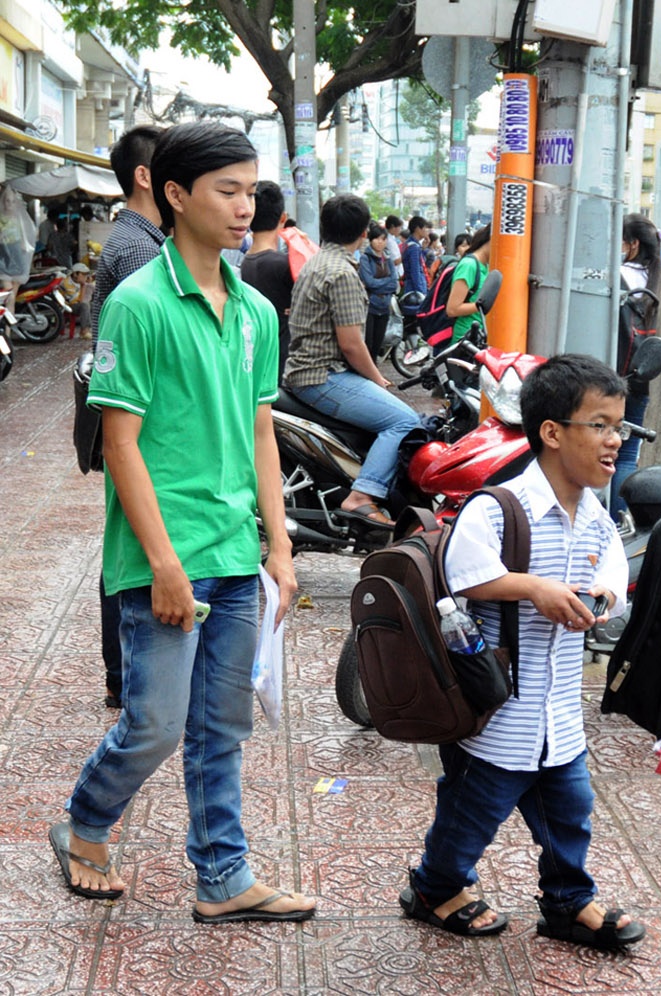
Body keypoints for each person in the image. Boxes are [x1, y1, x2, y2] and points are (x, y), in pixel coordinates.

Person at [57, 119, 315, 923]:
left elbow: (261, 431)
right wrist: (164, 561)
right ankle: (85, 824)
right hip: (163, 556)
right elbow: (122, 443)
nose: (246, 207)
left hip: (238, 550)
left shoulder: (254, 311)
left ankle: (223, 877)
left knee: (221, 727)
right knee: (158, 725)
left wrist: (279, 542)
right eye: (227, 191)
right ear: (174, 195)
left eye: (251, 191)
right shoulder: (137, 305)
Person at [404, 353, 644, 949]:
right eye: (601, 425)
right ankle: (434, 886)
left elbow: (612, 576)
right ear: (553, 432)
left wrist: (603, 594)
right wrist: (533, 588)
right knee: (471, 815)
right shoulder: (501, 506)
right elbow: (463, 572)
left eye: (620, 426)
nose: (615, 440)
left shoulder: (596, 518)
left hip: (558, 716)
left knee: (570, 813)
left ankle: (569, 902)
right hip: (497, 714)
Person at [283, 194, 421, 526]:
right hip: (322, 376)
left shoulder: (316, 261)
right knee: (405, 420)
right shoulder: (342, 273)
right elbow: (352, 345)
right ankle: (362, 495)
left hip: (304, 371)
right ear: (362, 233)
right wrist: (378, 379)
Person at [92, 124, 165, 712]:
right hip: (135, 419)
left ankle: (122, 671)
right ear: (146, 177)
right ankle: (124, 673)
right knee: (132, 543)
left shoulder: (134, 237)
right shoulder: (139, 248)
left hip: (130, 414)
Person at [611, 213, 661, 520]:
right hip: (642, 376)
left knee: (602, 453)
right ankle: (623, 521)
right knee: (627, 456)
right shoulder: (658, 279)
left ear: (632, 245)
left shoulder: (620, 276)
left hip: (612, 376)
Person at [239, 180, 295, 383]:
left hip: (255, 356)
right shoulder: (283, 264)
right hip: (283, 361)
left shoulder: (245, 263)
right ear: (283, 218)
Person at [443, 222, 492, 343]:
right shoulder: (469, 265)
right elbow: (452, 309)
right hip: (465, 340)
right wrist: (482, 306)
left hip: (478, 336)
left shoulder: (485, 266)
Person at [358, 221, 399, 361]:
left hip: (384, 306)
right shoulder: (365, 258)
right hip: (370, 306)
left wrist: (378, 285)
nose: (380, 242)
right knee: (368, 344)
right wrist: (385, 283)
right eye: (376, 239)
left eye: (383, 239)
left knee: (378, 344)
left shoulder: (388, 259)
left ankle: (375, 375)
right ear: (370, 240)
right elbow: (369, 282)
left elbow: (394, 283)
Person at [397, 215, 431, 339]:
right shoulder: (413, 247)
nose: (427, 231)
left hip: (411, 286)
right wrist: (421, 292)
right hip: (414, 288)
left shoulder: (411, 245)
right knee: (414, 321)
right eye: (425, 228)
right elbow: (415, 271)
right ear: (418, 229)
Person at [383, 214, 404, 281]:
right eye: (399, 228)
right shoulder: (389, 241)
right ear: (392, 227)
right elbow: (396, 261)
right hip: (394, 274)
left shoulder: (392, 238)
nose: (400, 230)